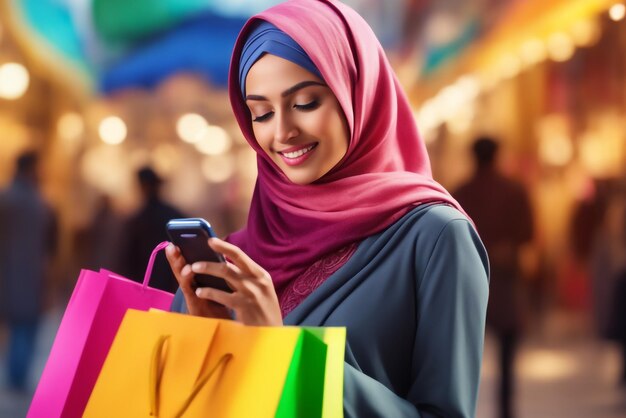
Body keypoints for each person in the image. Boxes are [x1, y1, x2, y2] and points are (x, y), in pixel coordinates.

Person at [167, 1, 489, 416]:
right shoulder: (236, 260)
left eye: (305, 103)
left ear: (355, 92)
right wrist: (205, 340)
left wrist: (280, 350)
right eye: (261, 113)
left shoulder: (435, 238)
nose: (282, 132)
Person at [454, 137, 534, 418]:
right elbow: (528, 235)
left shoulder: (458, 193)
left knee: (462, 358)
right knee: (507, 360)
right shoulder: (514, 191)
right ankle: (506, 410)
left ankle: (461, 409)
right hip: (505, 281)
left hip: (466, 284)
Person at [0, 151, 57, 392]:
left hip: (9, 275)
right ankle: (17, 378)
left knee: (17, 327)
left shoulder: (6, 198)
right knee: (25, 328)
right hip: (30, 277)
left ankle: (15, 377)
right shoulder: (38, 203)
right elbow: (48, 247)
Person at [119, 166, 186, 293]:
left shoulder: (136, 219)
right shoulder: (175, 215)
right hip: (175, 282)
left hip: (144, 285)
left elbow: (128, 260)